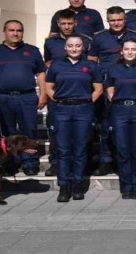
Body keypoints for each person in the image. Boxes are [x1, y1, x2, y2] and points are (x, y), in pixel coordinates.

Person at [44, 33, 103, 202]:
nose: (74, 49)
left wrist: (86, 101)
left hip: (83, 110)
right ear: (65, 47)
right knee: (63, 150)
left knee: (80, 149)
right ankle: (64, 186)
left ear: (83, 47)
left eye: (77, 45)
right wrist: (59, 100)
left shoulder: (91, 66)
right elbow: (48, 87)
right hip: (62, 110)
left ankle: (78, 184)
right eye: (70, 46)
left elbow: (98, 89)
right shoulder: (56, 66)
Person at [0, 20, 46, 176]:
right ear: (4, 32)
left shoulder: (32, 51)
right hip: (2, 97)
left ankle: (30, 162)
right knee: (7, 132)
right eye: (11, 30)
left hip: (27, 97)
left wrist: (43, 94)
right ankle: (10, 162)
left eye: (19, 30)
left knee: (29, 130)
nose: (15, 33)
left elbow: (41, 73)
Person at [88, 6, 136, 176]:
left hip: (130, 87)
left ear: (125, 20)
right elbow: (92, 62)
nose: (116, 23)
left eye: (119, 20)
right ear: (107, 21)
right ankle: (105, 160)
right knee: (106, 126)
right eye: (112, 20)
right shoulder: (99, 38)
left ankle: (127, 161)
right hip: (107, 88)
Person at [103, 39, 136, 200]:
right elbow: (110, 91)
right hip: (120, 111)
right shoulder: (113, 69)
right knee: (123, 150)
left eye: (133, 49)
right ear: (122, 51)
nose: (130, 52)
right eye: (127, 49)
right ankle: (126, 187)